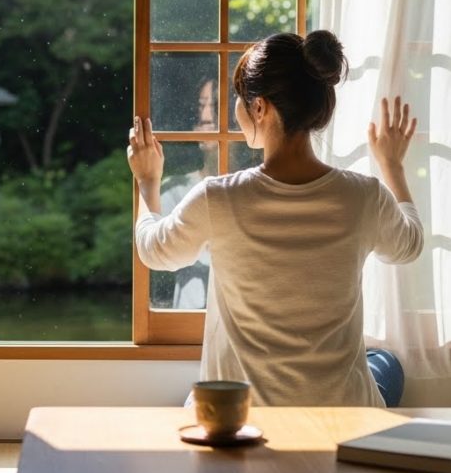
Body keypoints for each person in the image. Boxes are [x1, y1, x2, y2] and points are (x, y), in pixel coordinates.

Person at [128, 30, 421, 407]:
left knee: (197, 402)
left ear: (261, 108)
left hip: (243, 419)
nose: (235, 110)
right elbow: (409, 244)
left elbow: (154, 251)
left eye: (239, 98)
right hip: (342, 418)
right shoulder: (364, 195)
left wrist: (148, 181)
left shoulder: (218, 198)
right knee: (386, 362)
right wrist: (392, 166)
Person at [156, 77, 218, 309]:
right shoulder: (174, 190)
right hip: (185, 325)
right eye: (201, 106)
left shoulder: (252, 191)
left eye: (214, 106)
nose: (205, 117)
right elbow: (157, 253)